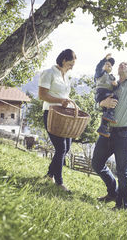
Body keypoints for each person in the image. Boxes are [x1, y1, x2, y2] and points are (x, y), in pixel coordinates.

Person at [91, 28, 127, 210]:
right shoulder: (111, 83)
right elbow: (97, 95)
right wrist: (101, 103)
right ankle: (112, 192)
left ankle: (122, 206)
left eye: (125, 64)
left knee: (123, 171)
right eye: (120, 64)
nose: (122, 64)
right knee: (97, 163)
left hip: (123, 134)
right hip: (106, 132)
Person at [38, 49, 77, 192]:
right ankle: (59, 183)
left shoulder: (66, 77)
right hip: (51, 114)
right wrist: (60, 100)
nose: (72, 67)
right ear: (63, 60)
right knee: (61, 148)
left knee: (66, 148)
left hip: (63, 115)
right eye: (71, 64)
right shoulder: (49, 73)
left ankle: (49, 174)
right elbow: (42, 95)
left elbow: (64, 95)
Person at [94, 53, 118, 137]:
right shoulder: (100, 73)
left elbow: (114, 89)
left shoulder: (112, 77)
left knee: (106, 110)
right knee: (113, 98)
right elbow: (98, 67)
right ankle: (109, 114)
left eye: (110, 66)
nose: (108, 66)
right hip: (101, 93)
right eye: (106, 64)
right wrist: (104, 59)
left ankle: (103, 127)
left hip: (107, 94)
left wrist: (115, 86)